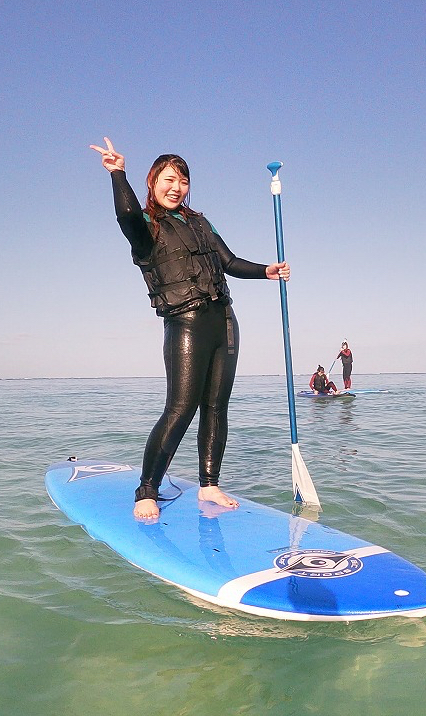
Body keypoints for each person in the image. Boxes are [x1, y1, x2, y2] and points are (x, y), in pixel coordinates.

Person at [90, 137, 290, 520]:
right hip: (185, 323)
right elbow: (126, 215)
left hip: (224, 322)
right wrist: (118, 174)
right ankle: (147, 489)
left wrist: (267, 270)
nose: (175, 187)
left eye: (182, 180)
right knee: (181, 408)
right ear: (153, 182)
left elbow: (228, 261)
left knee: (217, 408)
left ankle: (209, 484)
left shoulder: (200, 221)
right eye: (168, 179)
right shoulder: (145, 225)